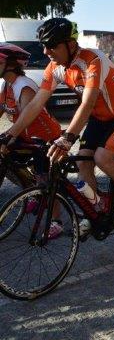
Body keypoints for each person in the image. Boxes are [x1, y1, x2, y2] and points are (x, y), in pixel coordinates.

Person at [0, 18, 114, 221]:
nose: (46, 52)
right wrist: (10, 134)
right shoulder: (54, 67)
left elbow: (87, 104)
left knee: (102, 158)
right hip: (99, 117)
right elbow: (36, 104)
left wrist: (67, 138)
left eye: (52, 46)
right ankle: (95, 208)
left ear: (70, 44)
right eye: (44, 46)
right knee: (83, 162)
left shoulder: (93, 61)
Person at [0, 43, 63, 238]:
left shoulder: (24, 86)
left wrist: (7, 136)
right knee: (6, 161)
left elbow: (28, 116)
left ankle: (56, 221)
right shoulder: (6, 85)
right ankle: (33, 192)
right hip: (24, 136)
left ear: (11, 64)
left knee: (46, 179)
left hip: (45, 138)